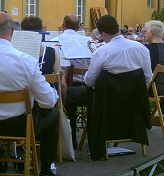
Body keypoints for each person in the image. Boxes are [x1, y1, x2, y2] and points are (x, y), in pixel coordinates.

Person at [0, 12, 59, 176]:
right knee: (54, 115)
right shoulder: (27, 61)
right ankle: (46, 169)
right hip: (19, 126)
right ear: (12, 32)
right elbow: (48, 101)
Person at [65, 14, 152, 149]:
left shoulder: (102, 52)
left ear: (104, 34)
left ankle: (72, 142)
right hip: (133, 99)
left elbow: (89, 82)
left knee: (68, 93)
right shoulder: (141, 48)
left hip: (106, 101)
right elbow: (147, 77)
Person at [21, 15, 67, 101]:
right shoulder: (51, 52)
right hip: (44, 102)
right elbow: (62, 84)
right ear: (41, 34)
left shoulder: (15, 54)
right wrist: (62, 105)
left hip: (21, 103)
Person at [144, 20, 164, 113]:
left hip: (153, 89)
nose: (145, 34)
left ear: (151, 32)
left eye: (145, 31)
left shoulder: (147, 49)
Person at [54, 14, 89, 85]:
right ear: (79, 28)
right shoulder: (88, 41)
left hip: (62, 84)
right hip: (85, 84)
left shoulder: (54, 41)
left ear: (63, 26)